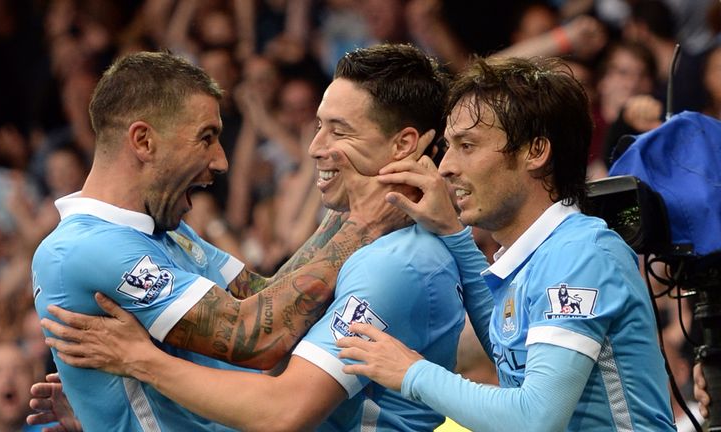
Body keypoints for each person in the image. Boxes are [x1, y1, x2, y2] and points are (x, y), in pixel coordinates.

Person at [33, 43, 490, 431]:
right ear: (144, 141)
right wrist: (360, 220)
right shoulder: (86, 249)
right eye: (207, 137)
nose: (222, 162)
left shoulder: (166, 230)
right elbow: (254, 336)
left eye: (338, 129)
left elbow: (269, 306)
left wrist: (135, 377)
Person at [336, 56, 676, 431]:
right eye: (448, 146)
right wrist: (453, 233)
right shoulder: (534, 257)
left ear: (535, 151)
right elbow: (506, 356)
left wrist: (410, 371)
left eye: (467, 145)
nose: (445, 166)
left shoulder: (580, 252)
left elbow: (535, 418)